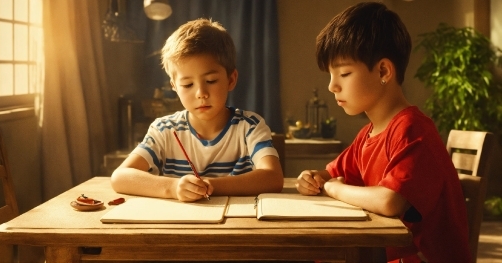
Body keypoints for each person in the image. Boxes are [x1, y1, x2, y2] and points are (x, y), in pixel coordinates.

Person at [296, 2, 471, 263]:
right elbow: (332, 174)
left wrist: (334, 189)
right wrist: (311, 179)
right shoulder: (368, 134)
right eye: (331, 75)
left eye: (344, 73)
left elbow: (390, 200)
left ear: (383, 71)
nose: (332, 86)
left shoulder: (412, 129)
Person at [111, 18, 284, 202]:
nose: (201, 93)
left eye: (211, 81)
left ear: (231, 79)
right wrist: (173, 187)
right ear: (175, 87)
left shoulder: (249, 127)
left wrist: (207, 186)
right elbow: (120, 177)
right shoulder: (164, 130)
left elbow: (273, 177)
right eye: (187, 84)